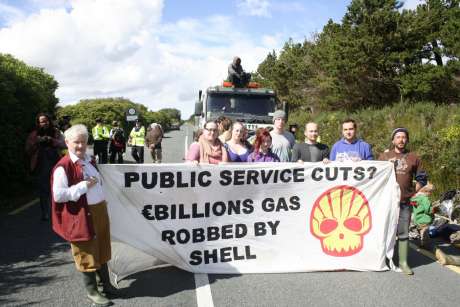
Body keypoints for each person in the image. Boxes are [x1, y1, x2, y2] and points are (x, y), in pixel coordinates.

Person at [51, 124, 117, 306]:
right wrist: (83, 186)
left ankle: (105, 285)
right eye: (76, 142)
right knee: (85, 251)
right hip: (81, 215)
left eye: (84, 142)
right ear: (67, 143)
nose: (80, 146)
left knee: (102, 248)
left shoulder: (89, 160)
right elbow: (59, 195)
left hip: (99, 211)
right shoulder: (62, 166)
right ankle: (92, 291)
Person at [378, 127, 427, 275]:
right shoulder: (384, 156)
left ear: (407, 140)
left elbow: (422, 178)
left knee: (403, 231)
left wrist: (413, 192)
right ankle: (382, 259)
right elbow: (375, 177)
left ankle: (403, 262)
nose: (401, 140)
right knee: (384, 230)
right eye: (398, 137)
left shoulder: (414, 157)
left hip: (405, 201)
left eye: (404, 137)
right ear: (393, 140)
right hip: (387, 201)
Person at [25, 113, 65, 221]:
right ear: (38, 123)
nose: (44, 123)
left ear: (49, 121)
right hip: (41, 162)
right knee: (43, 188)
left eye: (46, 120)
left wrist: (52, 140)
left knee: (57, 186)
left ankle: (57, 212)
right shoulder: (34, 134)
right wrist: (37, 142)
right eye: (42, 121)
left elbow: (64, 144)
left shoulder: (56, 132)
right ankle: (45, 213)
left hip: (56, 160)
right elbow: (28, 150)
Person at [411, 182, 435, 247]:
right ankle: (425, 244)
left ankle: (421, 242)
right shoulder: (425, 199)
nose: (430, 194)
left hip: (417, 218)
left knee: (421, 230)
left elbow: (414, 205)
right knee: (425, 232)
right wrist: (433, 210)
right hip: (424, 219)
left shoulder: (415, 198)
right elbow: (427, 209)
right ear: (427, 191)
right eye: (430, 192)